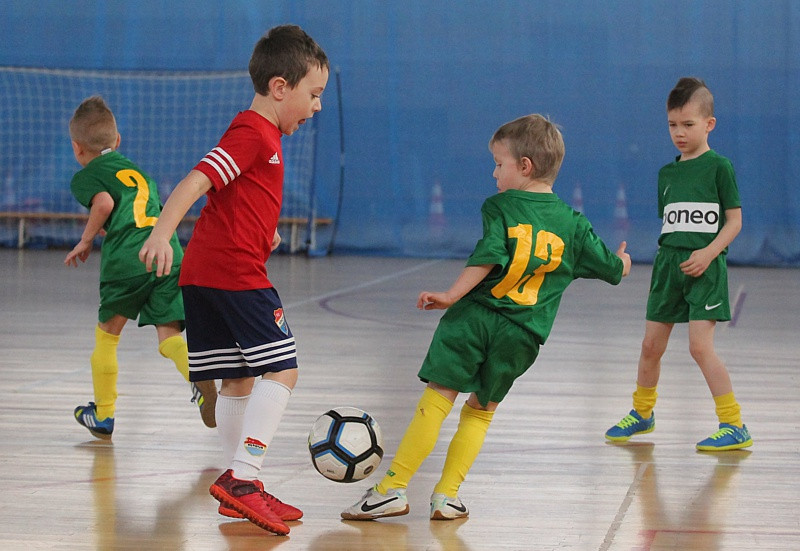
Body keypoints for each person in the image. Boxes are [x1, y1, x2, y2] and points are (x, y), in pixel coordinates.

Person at [342, 114, 631, 521]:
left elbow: (488, 256)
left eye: (499, 163)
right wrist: (623, 260)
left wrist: (450, 295)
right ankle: (446, 495)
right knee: (481, 409)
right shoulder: (574, 225)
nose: (494, 172)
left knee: (438, 399)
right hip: (522, 337)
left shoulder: (500, 206)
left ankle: (391, 487)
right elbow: (612, 271)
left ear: (525, 166)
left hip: (474, 319)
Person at [138, 25, 329, 536]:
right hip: (233, 273)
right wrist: (161, 233)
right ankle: (245, 478)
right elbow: (196, 181)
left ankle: (236, 486)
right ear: (280, 87)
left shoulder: (262, 135)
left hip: (207, 272)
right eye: (313, 95)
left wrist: (262, 234)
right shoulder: (251, 132)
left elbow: (235, 202)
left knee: (238, 377)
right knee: (283, 370)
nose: (316, 108)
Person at [604, 77, 751, 451]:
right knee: (650, 346)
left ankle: (733, 424)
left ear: (709, 124)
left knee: (700, 348)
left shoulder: (719, 168)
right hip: (668, 269)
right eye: (673, 125)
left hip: (706, 268)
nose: (679, 133)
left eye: (688, 124)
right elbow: (672, 224)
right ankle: (642, 413)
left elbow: (734, 221)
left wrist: (708, 253)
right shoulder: (666, 174)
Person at [65, 96, 217, 440]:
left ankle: (103, 414)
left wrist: (87, 239)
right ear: (117, 142)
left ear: (77, 148)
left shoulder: (86, 176)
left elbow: (103, 203)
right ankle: (199, 380)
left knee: (107, 335)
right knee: (169, 337)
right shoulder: (139, 173)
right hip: (168, 252)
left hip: (129, 259)